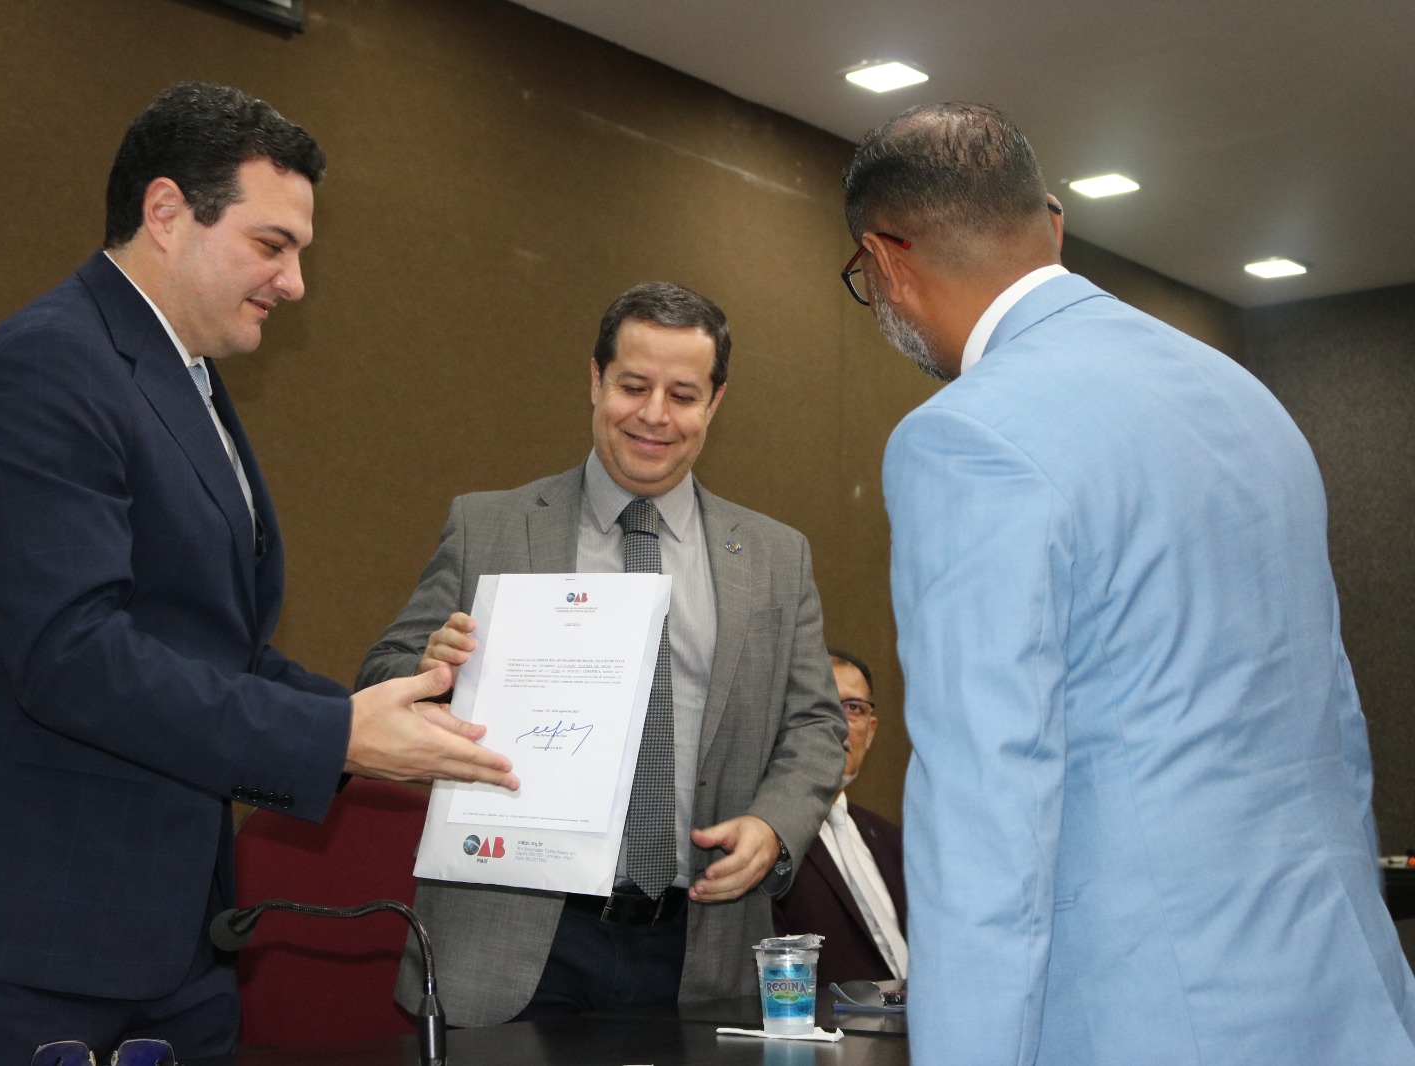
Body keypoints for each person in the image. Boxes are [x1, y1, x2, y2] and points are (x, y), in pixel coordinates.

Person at [0, 82, 516, 1065]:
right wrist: (335, 735)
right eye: (272, 244)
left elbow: (210, 647)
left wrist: (380, 719)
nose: (294, 283)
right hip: (3, 939)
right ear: (165, 212)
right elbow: (72, 657)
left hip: (157, 943)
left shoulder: (181, 378)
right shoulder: (48, 366)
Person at [842, 100, 1415, 1063]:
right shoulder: (1248, 398)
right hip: (1345, 995)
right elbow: (1338, 729)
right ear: (1053, 223)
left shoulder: (965, 436)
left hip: (1143, 1016)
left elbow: (988, 815)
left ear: (885, 262)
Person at [357, 281, 847, 1026]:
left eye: (683, 395)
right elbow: (380, 679)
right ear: (595, 380)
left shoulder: (777, 558)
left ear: (715, 402)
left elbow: (815, 724)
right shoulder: (489, 526)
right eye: (633, 386)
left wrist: (774, 825)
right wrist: (433, 668)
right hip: (509, 939)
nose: (655, 415)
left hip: (698, 948)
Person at [772, 650, 906, 984]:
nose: (839, 724)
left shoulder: (893, 841)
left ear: (870, 732)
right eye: (824, 704)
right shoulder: (768, 838)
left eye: (853, 708)